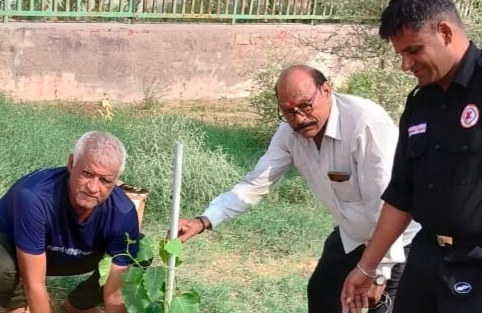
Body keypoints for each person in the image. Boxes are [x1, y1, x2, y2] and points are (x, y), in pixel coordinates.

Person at [177, 64, 420, 313]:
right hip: (353, 233)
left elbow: (386, 201)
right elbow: (256, 183)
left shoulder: (365, 123)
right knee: (323, 294)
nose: (299, 119)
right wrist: (204, 220)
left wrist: (378, 272)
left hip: (397, 240)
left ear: (326, 90)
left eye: (305, 106)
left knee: (381, 305)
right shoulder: (289, 134)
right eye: (288, 112)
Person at [341, 1, 482, 313]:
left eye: (413, 50)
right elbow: (402, 193)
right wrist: (367, 267)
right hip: (425, 258)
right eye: (400, 54)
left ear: (445, 32)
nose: (406, 64)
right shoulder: (419, 104)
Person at [0, 131, 140, 313]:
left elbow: (115, 294)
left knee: (137, 252)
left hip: (72, 254)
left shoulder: (123, 212)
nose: (93, 188)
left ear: (115, 181)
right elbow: (34, 282)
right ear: (71, 164)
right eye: (87, 174)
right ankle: (17, 303)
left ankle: (79, 304)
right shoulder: (34, 196)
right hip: (18, 251)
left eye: (105, 180)